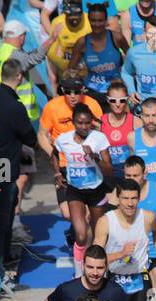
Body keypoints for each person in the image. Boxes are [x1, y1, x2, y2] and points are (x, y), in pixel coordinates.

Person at [94, 178, 156, 301]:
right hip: (115, 280)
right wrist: (121, 254)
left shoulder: (147, 218)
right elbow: (95, 258)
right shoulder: (105, 221)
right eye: (125, 198)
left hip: (140, 279)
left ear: (139, 198)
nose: (130, 203)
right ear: (117, 199)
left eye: (134, 198)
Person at [0, 58, 40, 272]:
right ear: (19, 77)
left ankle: (1, 254)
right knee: (4, 208)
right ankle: (1, 257)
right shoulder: (14, 106)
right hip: (6, 162)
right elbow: (29, 137)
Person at [53, 102, 113, 273]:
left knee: (97, 235)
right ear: (73, 122)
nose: (84, 126)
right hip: (75, 191)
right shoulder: (63, 139)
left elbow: (109, 169)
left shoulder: (99, 138)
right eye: (80, 123)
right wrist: (57, 173)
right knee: (80, 236)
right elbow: (54, 154)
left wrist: (94, 156)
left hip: (96, 191)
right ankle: (80, 273)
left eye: (87, 123)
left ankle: (99, 270)